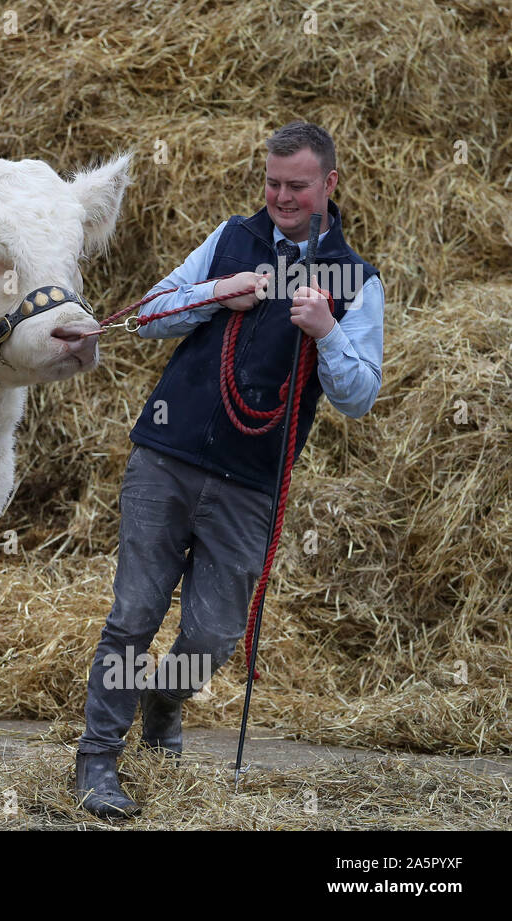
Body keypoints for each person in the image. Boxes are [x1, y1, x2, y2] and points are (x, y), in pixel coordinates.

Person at [73, 122, 384, 817]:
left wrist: (327, 332)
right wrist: (218, 290)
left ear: (329, 185)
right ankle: (97, 759)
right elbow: (150, 313)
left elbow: (360, 394)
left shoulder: (355, 280)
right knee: (133, 614)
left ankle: (165, 697)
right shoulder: (230, 240)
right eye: (272, 183)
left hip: (250, 482)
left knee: (212, 637)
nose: (280, 196)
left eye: (296, 186)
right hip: (167, 454)